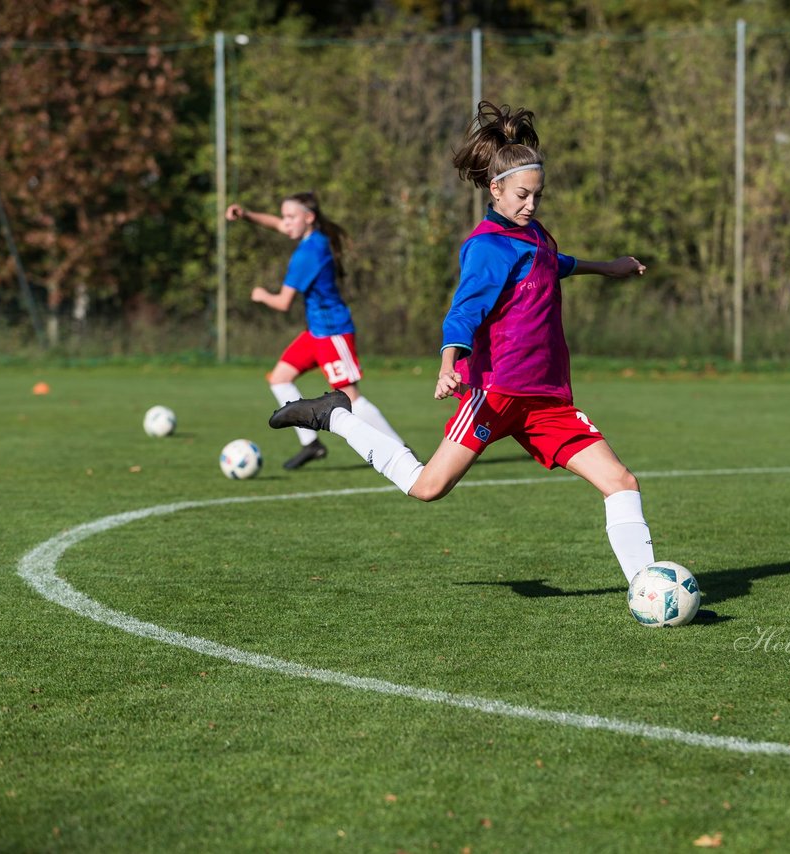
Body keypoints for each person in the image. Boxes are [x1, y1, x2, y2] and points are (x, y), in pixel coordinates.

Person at [267, 101, 662, 584]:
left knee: (621, 483)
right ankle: (335, 416)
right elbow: (464, 310)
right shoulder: (487, 246)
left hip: (547, 400)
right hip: (495, 393)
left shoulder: (535, 236)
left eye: (537, 196)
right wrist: (448, 363)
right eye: (521, 195)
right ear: (495, 189)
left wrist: (608, 267)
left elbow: (551, 264)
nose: (531, 205)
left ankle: (648, 586)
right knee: (427, 487)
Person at [226, 192, 404, 470]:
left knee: (351, 398)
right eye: (283, 217)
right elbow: (276, 225)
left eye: (290, 217)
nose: (285, 223)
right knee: (280, 378)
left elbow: (283, 302)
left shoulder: (307, 254)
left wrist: (261, 295)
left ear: (308, 218)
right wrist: (247, 215)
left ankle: (400, 450)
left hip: (333, 332)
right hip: (316, 332)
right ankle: (311, 444)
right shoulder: (316, 237)